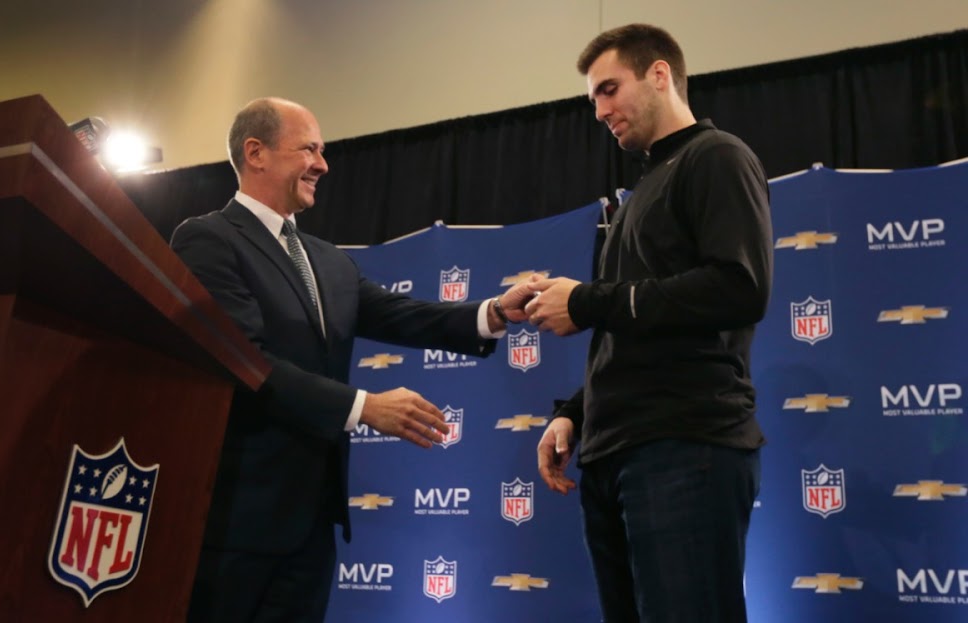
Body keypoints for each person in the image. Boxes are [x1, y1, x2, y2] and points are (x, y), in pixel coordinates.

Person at [170, 97, 532, 622]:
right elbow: (245, 361)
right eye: (309, 149)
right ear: (257, 153)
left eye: (323, 151)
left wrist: (494, 312)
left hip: (313, 523)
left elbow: (403, 315)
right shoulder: (208, 240)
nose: (323, 164)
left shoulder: (328, 259)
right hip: (237, 524)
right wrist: (365, 406)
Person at [527, 24, 773, 623]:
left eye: (609, 89)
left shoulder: (717, 157)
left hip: (685, 447)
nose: (600, 109)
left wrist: (586, 301)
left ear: (660, 75)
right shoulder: (640, 194)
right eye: (592, 99)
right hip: (615, 454)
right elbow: (635, 324)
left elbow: (739, 288)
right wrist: (574, 413)